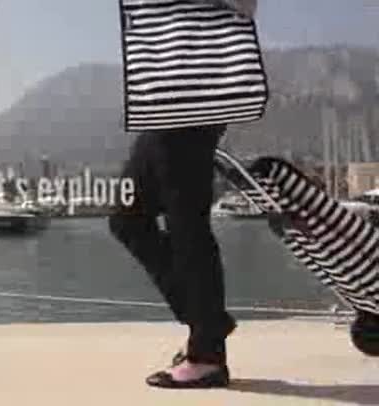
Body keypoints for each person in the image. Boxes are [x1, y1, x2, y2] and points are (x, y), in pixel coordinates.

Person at [109, 0, 258, 389]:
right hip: (163, 95)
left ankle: (207, 353)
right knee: (127, 218)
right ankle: (207, 323)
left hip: (195, 94)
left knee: (187, 225)